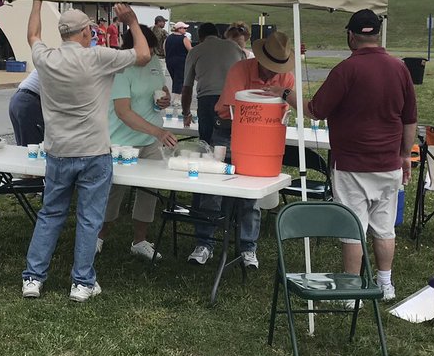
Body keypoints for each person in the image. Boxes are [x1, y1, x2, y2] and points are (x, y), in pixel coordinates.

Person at [21, 1, 150, 302]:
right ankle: (81, 282)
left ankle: (33, 278)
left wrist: (37, 3)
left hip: (58, 150)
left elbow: (33, 35)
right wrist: (132, 22)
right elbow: (143, 55)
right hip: (93, 151)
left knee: (50, 214)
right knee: (90, 218)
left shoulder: (47, 58)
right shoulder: (98, 56)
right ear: (84, 32)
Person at [307, 9, 417, 302]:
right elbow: (410, 119)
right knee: (384, 227)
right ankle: (385, 284)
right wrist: (405, 155)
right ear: (377, 35)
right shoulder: (399, 68)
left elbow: (316, 110)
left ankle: (351, 289)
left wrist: (286, 95)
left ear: (350, 36)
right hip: (388, 162)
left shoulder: (346, 69)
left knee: (353, 228)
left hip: (351, 163)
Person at [186, 31, 297, 270]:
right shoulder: (240, 69)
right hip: (227, 131)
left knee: (251, 195)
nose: (273, 73)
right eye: (269, 67)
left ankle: (248, 246)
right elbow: (235, 108)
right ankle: (204, 242)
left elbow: (284, 110)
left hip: (261, 138)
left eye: (277, 68)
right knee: (213, 189)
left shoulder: (287, 78)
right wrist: (268, 104)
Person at [98, 25, 178, 260]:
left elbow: (161, 87)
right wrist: (158, 132)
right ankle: (98, 237)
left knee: (150, 191)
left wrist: (164, 98)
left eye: (152, 49)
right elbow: (123, 112)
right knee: (113, 191)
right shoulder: (120, 69)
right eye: (147, 49)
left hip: (150, 140)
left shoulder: (153, 62)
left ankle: (140, 240)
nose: (150, 54)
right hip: (122, 142)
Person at [181, 22, 245, 145]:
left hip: (207, 99)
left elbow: (187, 88)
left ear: (200, 37)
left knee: (207, 143)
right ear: (218, 34)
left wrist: (186, 113)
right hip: (232, 100)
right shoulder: (234, 47)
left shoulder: (195, 51)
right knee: (231, 142)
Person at [9, 67, 44, 147]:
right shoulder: (63, 66)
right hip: (29, 103)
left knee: (24, 147)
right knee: (34, 148)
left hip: (17, 100)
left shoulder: (48, 61)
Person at [164, 22, 192, 94]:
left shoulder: (168, 38)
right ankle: (177, 97)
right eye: (184, 28)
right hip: (181, 62)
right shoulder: (184, 38)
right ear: (179, 29)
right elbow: (190, 50)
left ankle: (175, 94)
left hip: (169, 61)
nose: (186, 30)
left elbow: (164, 49)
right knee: (180, 80)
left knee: (174, 79)